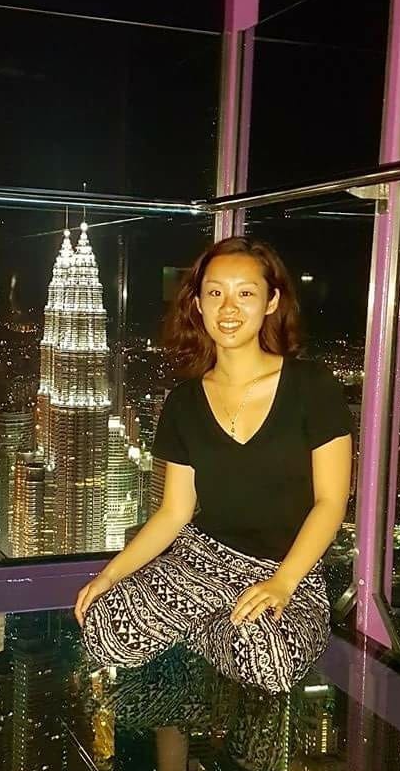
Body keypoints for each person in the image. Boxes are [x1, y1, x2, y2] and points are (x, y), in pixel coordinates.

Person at [75, 236, 352, 694]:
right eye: (215, 292)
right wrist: (111, 573)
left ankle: (198, 627)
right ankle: (208, 621)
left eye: (245, 293)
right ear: (198, 303)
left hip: (288, 568)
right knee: (107, 632)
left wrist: (283, 583)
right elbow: (174, 512)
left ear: (271, 301)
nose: (228, 307)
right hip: (202, 560)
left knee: (270, 664)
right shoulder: (183, 402)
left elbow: (331, 502)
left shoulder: (312, 386)